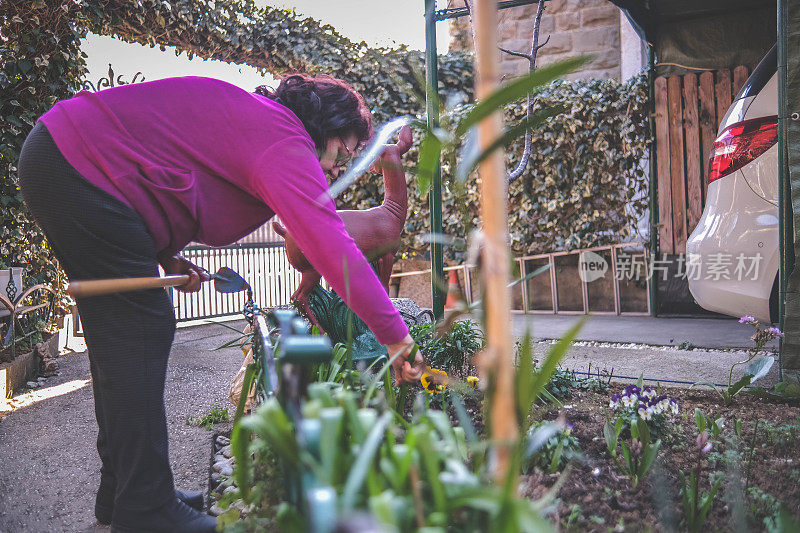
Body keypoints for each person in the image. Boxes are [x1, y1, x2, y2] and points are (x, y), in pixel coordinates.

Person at [17, 74, 424, 533]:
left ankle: (127, 490)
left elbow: (159, 172)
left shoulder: (261, 126)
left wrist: (165, 255)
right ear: (326, 127)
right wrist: (396, 337)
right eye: (343, 151)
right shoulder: (284, 140)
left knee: (122, 337)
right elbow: (334, 249)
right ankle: (145, 508)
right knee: (140, 330)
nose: (340, 166)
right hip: (79, 164)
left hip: (69, 159)